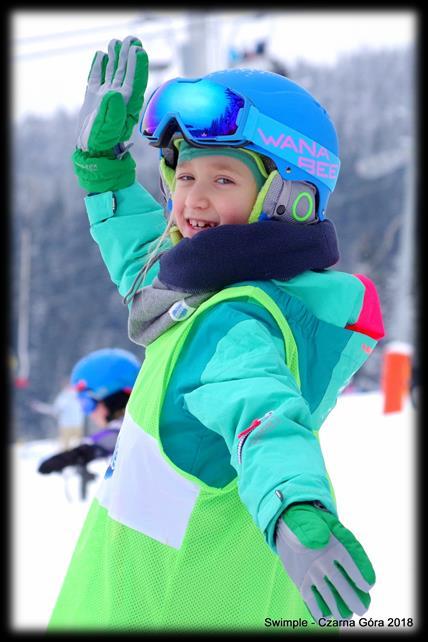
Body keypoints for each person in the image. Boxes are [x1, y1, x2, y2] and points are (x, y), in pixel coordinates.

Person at [48, 36, 385, 631]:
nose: (190, 200)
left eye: (223, 180)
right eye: (183, 175)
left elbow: (262, 416)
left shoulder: (234, 322)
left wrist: (294, 506)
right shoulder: (202, 295)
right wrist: (105, 172)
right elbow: (146, 264)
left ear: (287, 202)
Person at [38, 348, 141, 475]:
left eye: (87, 404)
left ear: (112, 399)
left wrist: (80, 453)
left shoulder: (140, 428)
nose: (88, 413)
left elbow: (115, 436)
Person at [31, 381, 84, 450]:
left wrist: (39, 407)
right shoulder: (68, 396)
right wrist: (40, 407)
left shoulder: (68, 396)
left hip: (71, 426)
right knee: (71, 449)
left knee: (69, 449)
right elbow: (55, 410)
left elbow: (54, 411)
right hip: (72, 425)